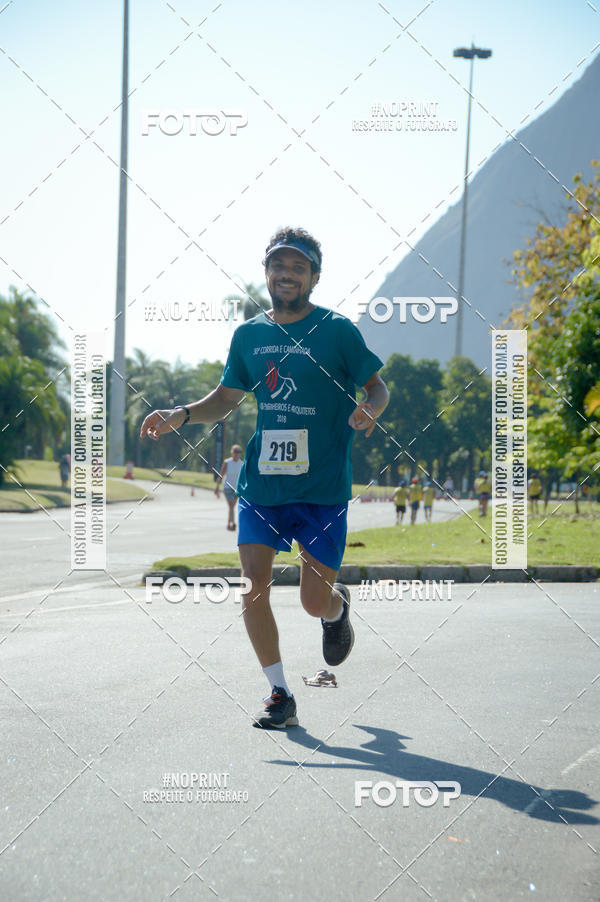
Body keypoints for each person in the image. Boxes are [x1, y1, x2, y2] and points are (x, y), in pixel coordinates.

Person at [140, 227, 389, 729]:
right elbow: (227, 397)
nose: (287, 275)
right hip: (263, 487)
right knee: (252, 588)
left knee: (311, 599)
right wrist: (182, 414)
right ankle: (280, 693)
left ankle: (337, 610)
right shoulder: (249, 335)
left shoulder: (338, 331)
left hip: (320, 490)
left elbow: (376, 387)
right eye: (279, 266)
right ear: (267, 272)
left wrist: (371, 409)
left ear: (314, 277)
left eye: (299, 267)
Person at [215, 444, 244, 530]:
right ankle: (233, 523)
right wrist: (217, 486)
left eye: (238, 452)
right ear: (232, 452)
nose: (236, 454)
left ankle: (229, 523)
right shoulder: (227, 462)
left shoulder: (242, 464)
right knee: (231, 505)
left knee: (232, 506)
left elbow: (242, 478)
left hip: (236, 488)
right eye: (235, 452)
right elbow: (221, 474)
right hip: (227, 487)